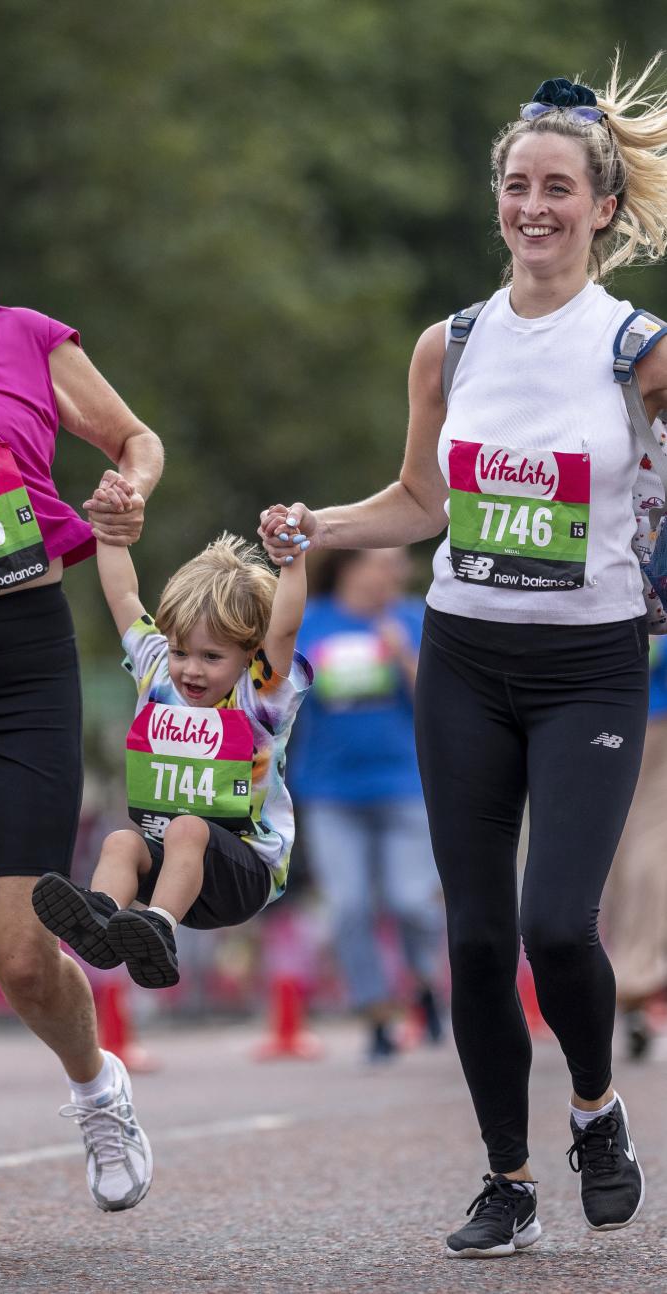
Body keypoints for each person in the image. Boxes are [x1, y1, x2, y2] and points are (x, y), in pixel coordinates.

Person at [260, 56, 667, 1258]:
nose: (534, 207)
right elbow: (421, 500)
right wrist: (321, 525)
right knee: (479, 936)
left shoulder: (638, 350)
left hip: (590, 663)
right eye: (516, 186)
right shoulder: (451, 343)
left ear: (601, 207)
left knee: (556, 921)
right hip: (466, 660)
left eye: (558, 188)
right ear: (497, 198)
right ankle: (508, 1174)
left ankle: (596, 1106)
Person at [0, 148, 164, 1262]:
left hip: (19, 657)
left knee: (15, 946)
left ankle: (97, 1086)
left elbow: (134, 441)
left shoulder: (22, 338)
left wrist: (129, 490)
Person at [31, 530, 311, 998]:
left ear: (249, 655)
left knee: (188, 828)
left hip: (244, 876)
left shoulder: (259, 695)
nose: (191, 670)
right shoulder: (158, 673)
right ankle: (103, 918)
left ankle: (158, 929)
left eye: (211, 657)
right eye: (181, 651)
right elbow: (122, 594)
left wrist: (292, 563)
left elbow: (283, 628)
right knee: (121, 840)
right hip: (174, 872)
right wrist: (111, 532)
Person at [289, 547, 444, 1061]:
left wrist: (402, 654)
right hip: (331, 793)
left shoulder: (414, 617)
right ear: (351, 566)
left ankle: (424, 981)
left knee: (411, 900)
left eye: (399, 566)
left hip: (405, 786)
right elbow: (281, 695)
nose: (395, 573)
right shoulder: (311, 622)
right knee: (349, 905)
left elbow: (442, 699)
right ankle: (375, 1012)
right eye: (386, 562)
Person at [604, 637, 667, 1060]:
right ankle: (635, 977)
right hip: (646, 714)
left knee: (627, 848)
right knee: (646, 846)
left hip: (614, 715)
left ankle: (629, 979)